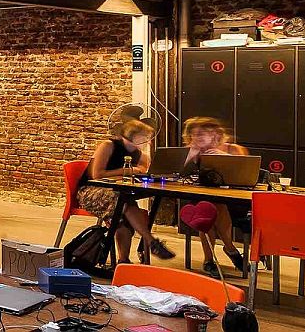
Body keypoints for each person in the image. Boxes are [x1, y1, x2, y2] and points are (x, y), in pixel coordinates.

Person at [77, 118, 174, 263]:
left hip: (117, 193)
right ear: (133, 136)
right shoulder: (108, 146)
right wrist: (127, 171)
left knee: (123, 213)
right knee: (124, 204)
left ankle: (124, 261)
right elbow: (96, 174)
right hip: (90, 191)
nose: (148, 142)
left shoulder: (139, 154)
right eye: (145, 138)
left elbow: (142, 170)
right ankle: (150, 241)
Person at [180, 117, 250, 276]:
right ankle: (227, 251)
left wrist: (223, 156)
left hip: (235, 201)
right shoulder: (194, 152)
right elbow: (176, 175)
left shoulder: (233, 149)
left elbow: (246, 173)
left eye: (202, 134)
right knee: (208, 209)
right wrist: (190, 156)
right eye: (195, 135)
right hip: (205, 199)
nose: (198, 138)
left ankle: (212, 260)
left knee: (213, 207)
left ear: (216, 134)